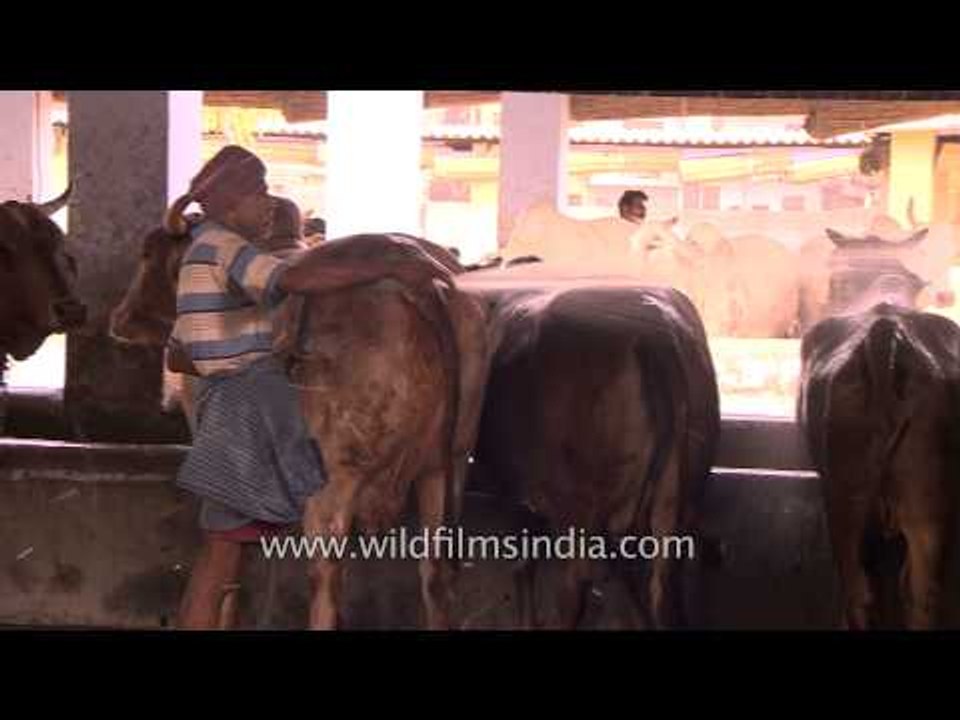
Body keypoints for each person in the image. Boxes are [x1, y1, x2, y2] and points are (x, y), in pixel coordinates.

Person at [167, 145, 452, 629]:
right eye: (259, 194)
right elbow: (296, 277)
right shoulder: (223, 246)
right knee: (219, 559)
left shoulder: (206, 250)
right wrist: (386, 267)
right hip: (240, 413)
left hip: (233, 407)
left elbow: (179, 353)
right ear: (234, 202)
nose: (269, 204)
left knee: (226, 555)